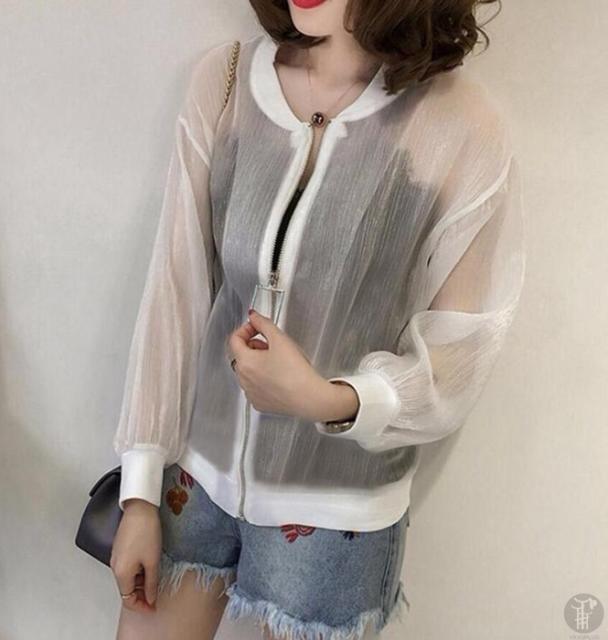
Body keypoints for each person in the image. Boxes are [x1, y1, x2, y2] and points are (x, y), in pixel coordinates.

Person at [111, 0, 526, 638]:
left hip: (338, 515)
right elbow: (176, 289)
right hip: (193, 476)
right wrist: (140, 488)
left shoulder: (460, 125)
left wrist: (328, 399)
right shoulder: (226, 83)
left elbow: (459, 356)